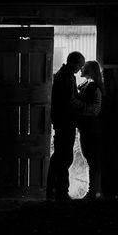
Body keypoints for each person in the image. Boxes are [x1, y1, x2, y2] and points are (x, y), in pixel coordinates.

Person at [46, 51, 93, 201]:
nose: (80, 70)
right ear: (74, 63)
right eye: (79, 66)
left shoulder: (63, 75)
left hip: (63, 122)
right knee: (64, 157)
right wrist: (86, 106)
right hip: (65, 122)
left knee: (61, 156)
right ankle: (59, 191)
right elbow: (69, 101)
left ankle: (55, 191)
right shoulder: (66, 77)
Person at [77, 60, 104, 200]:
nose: (81, 68)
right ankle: (93, 191)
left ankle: (93, 191)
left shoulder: (94, 87)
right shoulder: (87, 85)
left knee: (92, 160)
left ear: (91, 71)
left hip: (91, 129)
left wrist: (78, 107)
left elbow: (95, 110)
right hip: (87, 128)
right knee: (90, 160)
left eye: (85, 67)